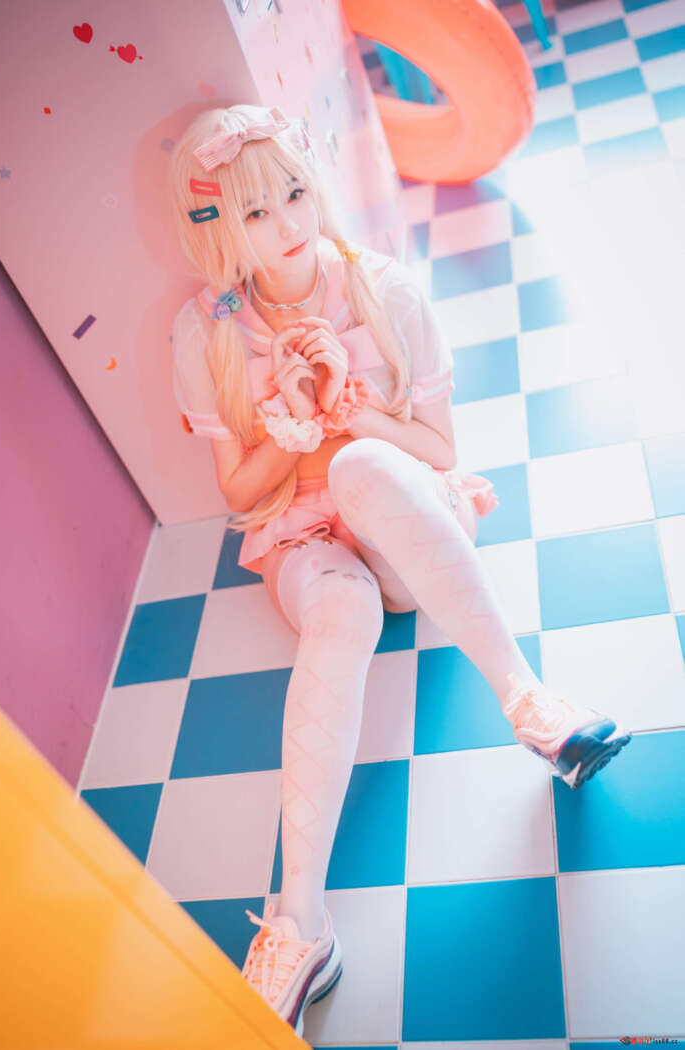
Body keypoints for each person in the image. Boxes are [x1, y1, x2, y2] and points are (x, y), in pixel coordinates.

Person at [167, 103, 632, 1036]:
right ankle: (300, 923)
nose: (288, 223)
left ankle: (530, 703)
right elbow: (240, 490)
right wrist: (290, 414)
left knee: (362, 467)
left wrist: (351, 415)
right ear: (219, 225)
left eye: (295, 193)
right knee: (341, 613)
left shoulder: (383, 289)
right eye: (256, 211)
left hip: (404, 520)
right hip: (306, 540)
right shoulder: (206, 330)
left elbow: (440, 450)